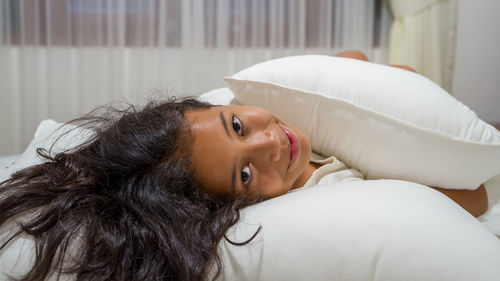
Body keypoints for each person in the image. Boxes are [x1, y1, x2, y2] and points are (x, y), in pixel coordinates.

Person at [0, 51, 488, 281]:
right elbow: (477, 197)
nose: (271, 143)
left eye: (236, 126)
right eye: (246, 175)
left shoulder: (277, 105)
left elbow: (358, 63)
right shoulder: (331, 192)